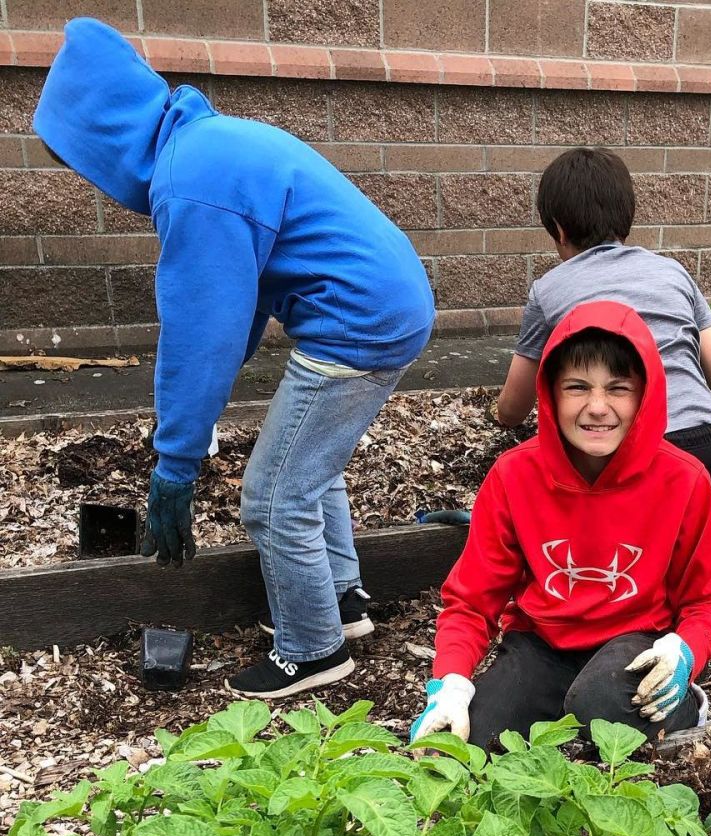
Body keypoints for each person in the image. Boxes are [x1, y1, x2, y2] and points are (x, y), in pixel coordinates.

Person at [34, 18, 435, 698]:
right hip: (388, 306)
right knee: (310, 463)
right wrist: (195, 418)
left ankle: (313, 651)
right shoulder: (209, 148)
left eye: (81, 162)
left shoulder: (190, 182)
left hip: (356, 323)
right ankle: (341, 599)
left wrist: (176, 463)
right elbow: (237, 307)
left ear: (105, 136)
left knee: (272, 498)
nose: (92, 182)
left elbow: (201, 334)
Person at [410, 302, 711, 748]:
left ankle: (682, 706)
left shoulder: (685, 479)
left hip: (636, 640)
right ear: (551, 393)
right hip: (542, 642)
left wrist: (686, 650)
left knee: (601, 706)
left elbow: (705, 603)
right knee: (470, 742)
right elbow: (471, 600)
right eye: (577, 387)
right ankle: (565, 709)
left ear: (645, 394)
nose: (597, 407)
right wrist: (452, 681)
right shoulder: (513, 475)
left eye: (618, 388)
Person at [494, 147, 711, 505]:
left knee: (617, 556)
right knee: (684, 556)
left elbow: (515, 406)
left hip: (615, 450)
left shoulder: (548, 290)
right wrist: (693, 422)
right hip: (704, 451)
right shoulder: (673, 273)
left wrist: (498, 415)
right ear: (627, 217)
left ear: (559, 231)